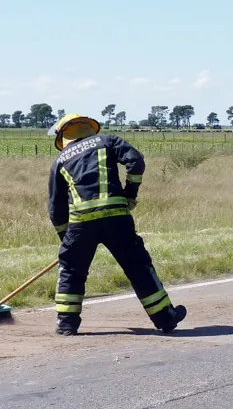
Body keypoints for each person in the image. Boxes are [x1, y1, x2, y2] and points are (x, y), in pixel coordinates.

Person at [47, 114, 186, 335]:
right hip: (116, 219)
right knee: (137, 267)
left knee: (71, 271)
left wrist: (68, 243)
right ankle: (165, 318)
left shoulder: (60, 161)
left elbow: (56, 209)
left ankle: (66, 324)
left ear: (64, 136)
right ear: (88, 129)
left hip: (81, 224)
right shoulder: (108, 141)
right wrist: (130, 193)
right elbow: (136, 162)